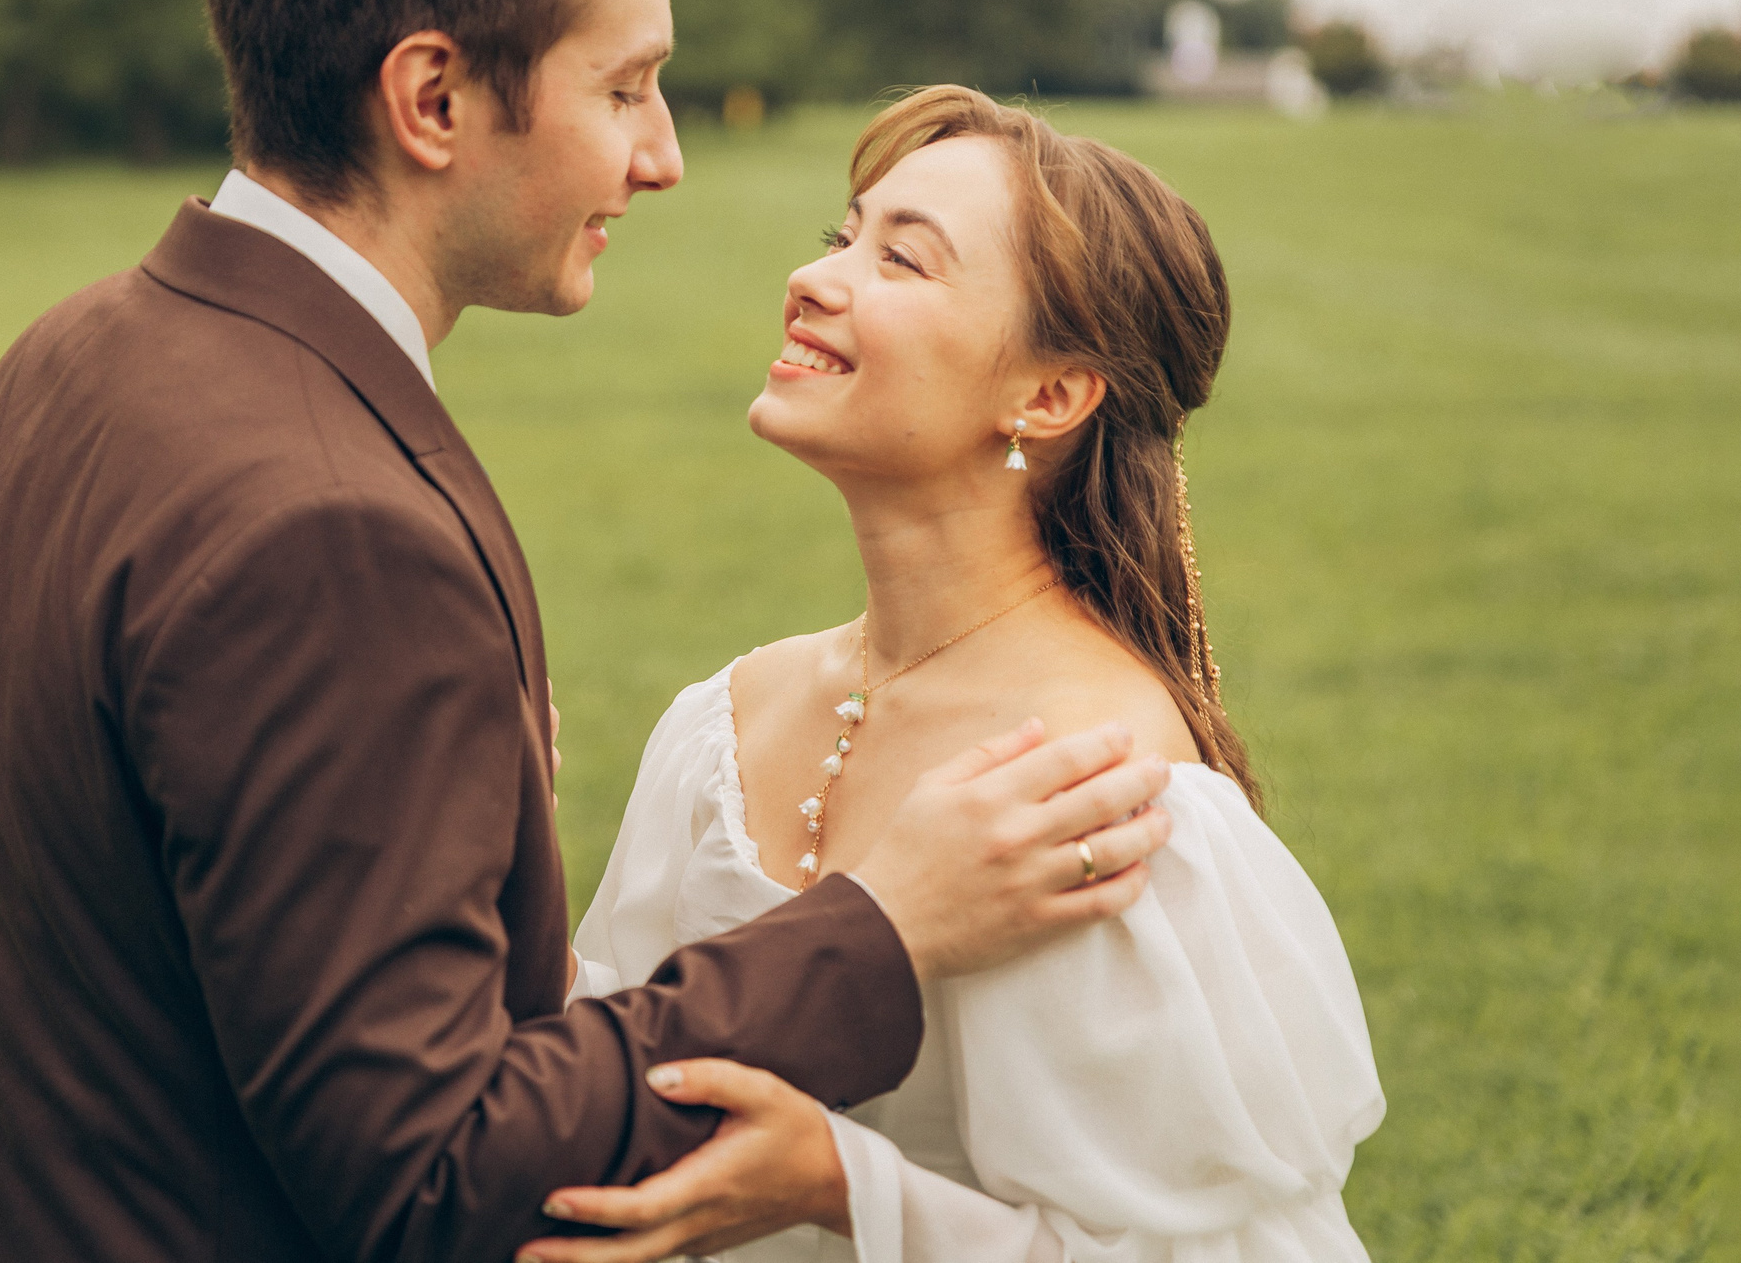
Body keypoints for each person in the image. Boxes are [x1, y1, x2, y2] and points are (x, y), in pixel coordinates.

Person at [0, 0, 1177, 1263]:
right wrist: (882, 924)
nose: (664, 156)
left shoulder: (53, 369)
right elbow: (435, 1181)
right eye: (628, 85)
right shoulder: (339, 536)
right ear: (434, 98)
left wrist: (397, 833)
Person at [539, 87, 1385, 1263]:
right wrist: (499, 864)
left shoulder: (1101, 797)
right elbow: (596, 1081)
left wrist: (849, 1189)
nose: (816, 277)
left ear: (1047, 394)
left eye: (903, 260)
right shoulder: (722, 719)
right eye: (844, 236)